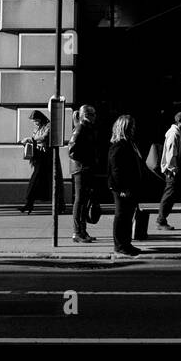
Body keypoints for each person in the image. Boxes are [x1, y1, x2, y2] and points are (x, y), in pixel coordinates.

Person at [107, 114, 143, 257]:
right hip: (122, 188)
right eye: (131, 127)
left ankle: (126, 243)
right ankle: (120, 245)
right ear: (124, 128)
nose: (133, 129)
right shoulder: (118, 146)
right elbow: (116, 170)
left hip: (130, 186)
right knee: (121, 216)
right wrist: (121, 189)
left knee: (128, 216)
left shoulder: (129, 144)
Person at [21, 110, 65, 214]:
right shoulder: (37, 127)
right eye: (34, 121)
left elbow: (44, 137)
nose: (35, 123)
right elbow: (37, 138)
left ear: (41, 118)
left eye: (36, 120)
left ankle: (59, 205)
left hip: (47, 157)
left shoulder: (48, 126)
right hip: (40, 156)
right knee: (39, 181)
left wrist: (30, 139)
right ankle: (29, 203)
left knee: (51, 180)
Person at [68, 105, 100, 243]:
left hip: (85, 168)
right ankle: (77, 232)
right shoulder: (80, 128)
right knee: (80, 200)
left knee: (84, 201)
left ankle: (83, 231)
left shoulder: (87, 128)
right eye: (93, 114)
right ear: (86, 115)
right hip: (80, 169)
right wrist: (86, 160)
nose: (95, 116)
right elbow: (72, 149)